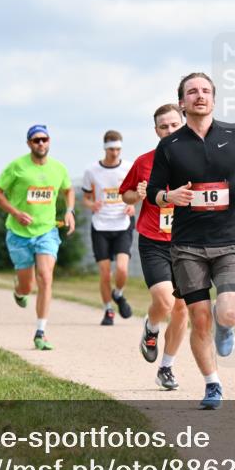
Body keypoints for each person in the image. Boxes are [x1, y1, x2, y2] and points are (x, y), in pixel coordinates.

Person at [147, 73, 235, 410]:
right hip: (187, 246)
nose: (200, 96)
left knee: (227, 314)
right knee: (198, 318)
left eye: (206, 91)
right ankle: (212, 384)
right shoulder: (170, 145)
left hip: (229, 241)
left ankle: (225, 325)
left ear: (214, 98)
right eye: (192, 92)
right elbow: (154, 193)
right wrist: (171, 196)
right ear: (182, 102)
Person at [120, 104, 189, 390]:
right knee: (165, 301)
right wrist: (134, 196)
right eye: (164, 126)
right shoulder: (144, 161)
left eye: (175, 125)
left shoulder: (198, 160)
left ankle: (167, 367)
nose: (170, 130)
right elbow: (125, 194)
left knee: (182, 310)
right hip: (154, 241)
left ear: (183, 124)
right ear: (156, 130)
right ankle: (151, 326)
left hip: (187, 243)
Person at [0, 124, 75, 350]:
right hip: (19, 234)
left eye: (44, 139)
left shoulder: (58, 168)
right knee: (27, 286)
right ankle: (19, 290)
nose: (41, 144)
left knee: (45, 277)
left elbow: (68, 190)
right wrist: (15, 212)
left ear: (49, 141)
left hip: (46, 231)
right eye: (36, 140)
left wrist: (69, 210)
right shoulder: (17, 167)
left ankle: (41, 332)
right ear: (29, 143)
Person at [82, 130, 135, 325]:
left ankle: (118, 294)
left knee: (122, 269)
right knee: (105, 273)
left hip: (122, 224)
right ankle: (108, 310)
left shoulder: (129, 168)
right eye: (111, 149)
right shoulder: (92, 171)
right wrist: (91, 205)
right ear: (105, 148)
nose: (115, 153)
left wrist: (132, 204)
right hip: (100, 225)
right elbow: (86, 198)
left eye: (118, 149)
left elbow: (137, 193)